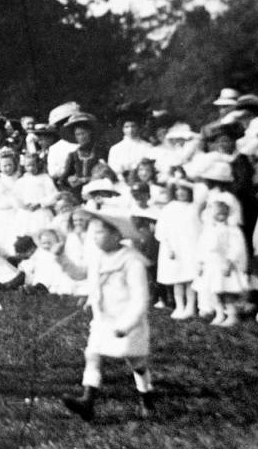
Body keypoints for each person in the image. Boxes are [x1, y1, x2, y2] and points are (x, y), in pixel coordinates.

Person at [58, 208, 155, 422]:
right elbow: (80, 273)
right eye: (94, 233)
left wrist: (127, 325)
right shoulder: (97, 257)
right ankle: (87, 401)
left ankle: (146, 396)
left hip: (128, 321)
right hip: (103, 319)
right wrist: (60, 256)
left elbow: (140, 298)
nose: (95, 237)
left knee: (136, 363)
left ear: (117, 235)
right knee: (92, 355)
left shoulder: (132, 261)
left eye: (100, 232)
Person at [197, 194, 248, 327]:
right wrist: (201, 263)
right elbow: (202, 247)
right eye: (217, 214)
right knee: (215, 291)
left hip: (224, 264)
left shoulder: (231, 230)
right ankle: (219, 313)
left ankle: (232, 314)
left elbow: (236, 247)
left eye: (223, 214)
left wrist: (229, 261)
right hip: (211, 264)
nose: (220, 217)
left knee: (226, 291)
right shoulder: (208, 229)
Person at [157, 179, 201, 319]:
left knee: (190, 278)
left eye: (185, 190)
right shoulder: (169, 208)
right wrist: (168, 247)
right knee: (177, 278)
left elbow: (199, 229)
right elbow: (162, 230)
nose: (181, 193)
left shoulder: (194, 208)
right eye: (178, 190)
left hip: (190, 247)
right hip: (174, 248)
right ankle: (179, 306)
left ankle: (190, 306)